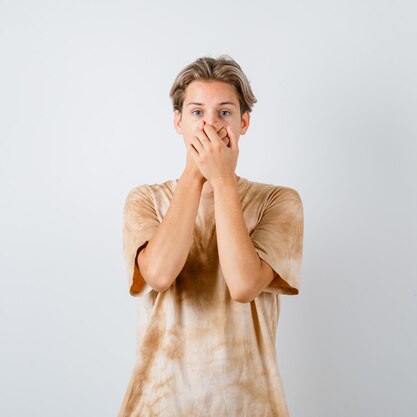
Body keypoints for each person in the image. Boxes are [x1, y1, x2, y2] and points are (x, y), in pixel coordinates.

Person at [117, 55, 304, 417]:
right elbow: (158, 274)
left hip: (249, 404)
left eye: (224, 113)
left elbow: (244, 285)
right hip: (158, 404)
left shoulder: (279, 202)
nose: (210, 124)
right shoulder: (145, 200)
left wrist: (222, 180)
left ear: (243, 122)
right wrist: (195, 175)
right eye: (197, 112)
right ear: (178, 122)